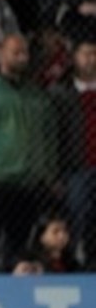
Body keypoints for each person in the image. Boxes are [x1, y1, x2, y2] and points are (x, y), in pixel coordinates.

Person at [0, 34, 59, 270]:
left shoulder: (37, 95)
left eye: (24, 52)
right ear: (1, 55)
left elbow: (50, 136)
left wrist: (49, 173)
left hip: (29, 181)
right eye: (15, 52)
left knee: (21, 247)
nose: (21, 57)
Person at [52, 35, 96, 269]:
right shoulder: (61, 93)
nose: (91, 59)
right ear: (75, 58)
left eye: (94, 54)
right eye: (85, 54)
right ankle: (75, 261)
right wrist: (56, 172)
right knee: (77, 214)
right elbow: (53, 135)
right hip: (76, 167)